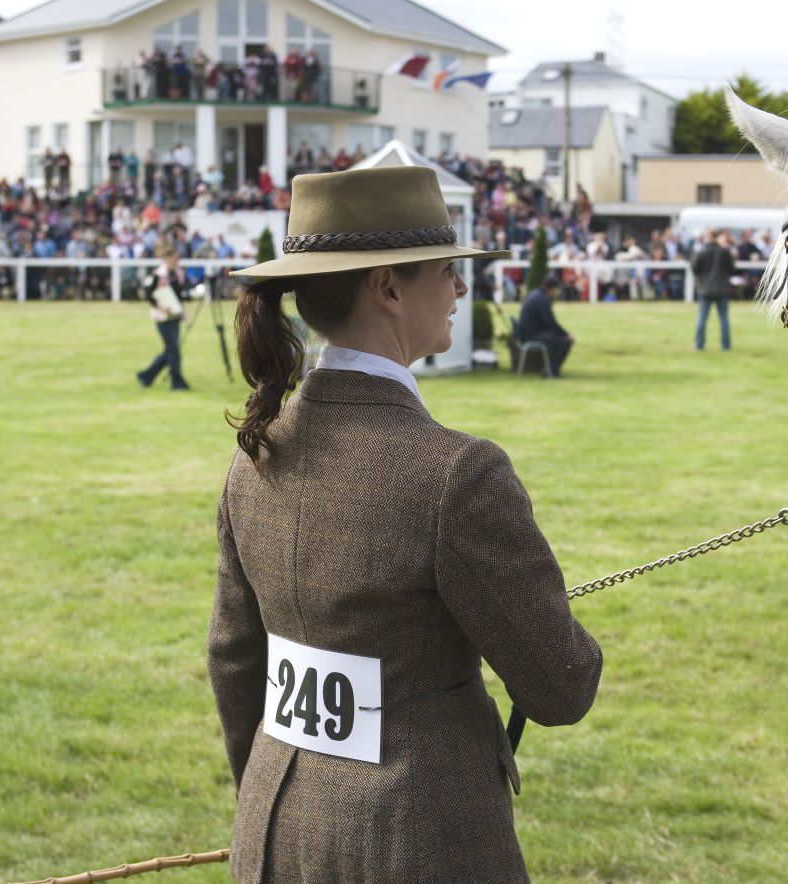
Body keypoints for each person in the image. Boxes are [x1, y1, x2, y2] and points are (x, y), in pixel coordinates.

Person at [208, 165, 601, 883]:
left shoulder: (255, 455)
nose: (459, 288)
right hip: (420, 845)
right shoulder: (459, 474)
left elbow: (236, 664)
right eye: (447, 270)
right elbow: (560, 685)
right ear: (388, 287)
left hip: (271, 834)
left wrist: (265, 800)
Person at [136, 249, 190, 390]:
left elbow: (180, 295)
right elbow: (148, 294)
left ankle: (146, 376)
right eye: (173, 259)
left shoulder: (179, 274)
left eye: (177, 259)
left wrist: (183, 311)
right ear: (167, 259)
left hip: (175, 316)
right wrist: (161, 306)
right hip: (162, 318)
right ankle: (177, 382)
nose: (175, 262)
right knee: (173, 350)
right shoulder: (157, 275)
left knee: (170, 351)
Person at [518, 276, 574, 375]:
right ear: (552, 289)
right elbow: (550, 323)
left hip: (530, 332)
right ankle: (551, 371)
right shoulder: (542, 300)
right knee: (565, 341)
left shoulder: (538, 294)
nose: (558, 292)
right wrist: (565, 334)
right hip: (532, 335)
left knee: (557, 339)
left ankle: (549, 369)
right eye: (557, 289)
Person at [691, 228, 735, 351]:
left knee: (702, 319)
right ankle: (726, 346)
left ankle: (699, 345)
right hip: (721, 289)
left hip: (705, 289)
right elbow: (731, 269)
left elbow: (695, 268)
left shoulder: (702, 252)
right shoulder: (725, 252)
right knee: (724, 319)